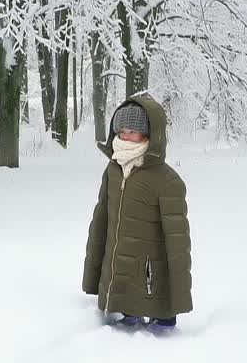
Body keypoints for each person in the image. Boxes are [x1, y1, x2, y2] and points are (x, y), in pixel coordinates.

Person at [81, 94, 192, 334]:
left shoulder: (167, 180)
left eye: (133, 131)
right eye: (121, 130)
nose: (125, 136)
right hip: (117, 270)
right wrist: (93, 275)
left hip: (151, 275)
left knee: (160, 328)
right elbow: (100, 222)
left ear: (150, 134)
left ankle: (160, 320)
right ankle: (126, 312)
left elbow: (178, 243)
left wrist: (179, 296)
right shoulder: (114, 169)